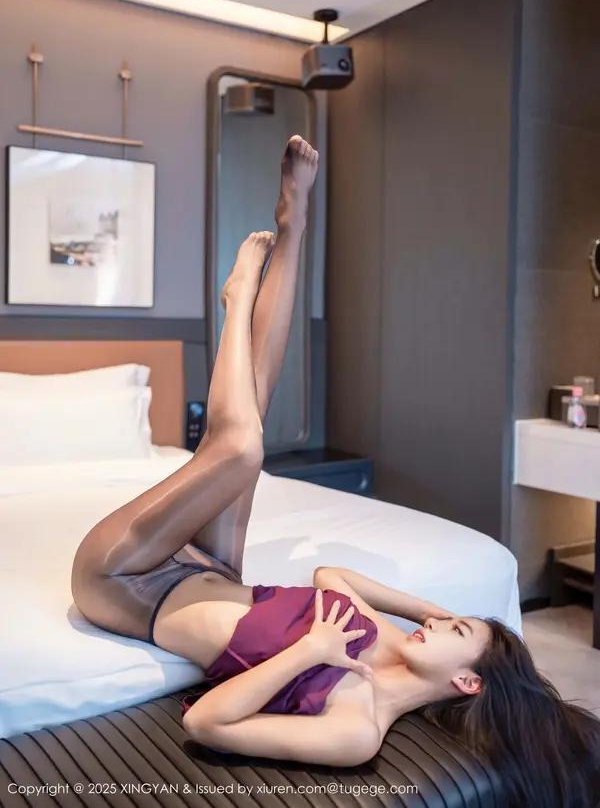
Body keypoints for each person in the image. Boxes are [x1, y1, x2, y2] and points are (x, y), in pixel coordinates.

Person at [72, 135, 600, 807]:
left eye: (456, 630)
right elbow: (330, 577)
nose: (440, 623)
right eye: (450, 619)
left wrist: (311, 651)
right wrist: (425, 607)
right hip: (214, 569)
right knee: (254, 407)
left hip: (123, 582)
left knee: (241, 450)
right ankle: (295, 221)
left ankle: (239, 299)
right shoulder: (392, 637)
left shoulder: (360, 726)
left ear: (467, 683)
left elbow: (205, 723)